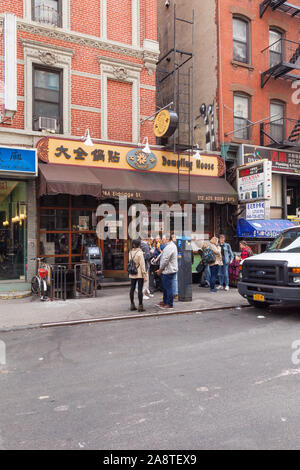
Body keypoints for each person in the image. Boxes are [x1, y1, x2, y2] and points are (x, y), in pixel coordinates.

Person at [155, 233, 178, 309]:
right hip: (167, 269)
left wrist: (160, 270)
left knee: (168, 287)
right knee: (165, 287)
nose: (162, 240)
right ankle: (165, 301)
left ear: (167, 239)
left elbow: (165, 260)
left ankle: (169, 303)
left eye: (164, 239)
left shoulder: (170, 247)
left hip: (169, 270)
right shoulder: (168, 246)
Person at [128, 239, 147, 312]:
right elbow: (142, 265)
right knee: (139, 290)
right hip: (139, 273)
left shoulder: (130, 252)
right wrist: (144, 275)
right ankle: (140, 306)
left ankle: (132, 304)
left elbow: (130, 262)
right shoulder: (140, 253)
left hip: (132, 272)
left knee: (132, 289)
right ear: (139, 245)